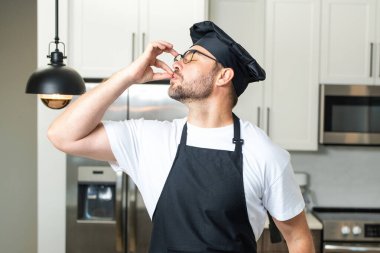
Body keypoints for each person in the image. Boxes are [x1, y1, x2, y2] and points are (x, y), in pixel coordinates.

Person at [48, 21, 315, 253]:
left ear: (224, 76)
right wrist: (129, 75)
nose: (177, 62)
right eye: (180, 57)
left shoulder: (264, 154)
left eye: (191, 57)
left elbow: (299, 238)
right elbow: (62, 136)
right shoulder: (149, 139)